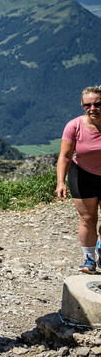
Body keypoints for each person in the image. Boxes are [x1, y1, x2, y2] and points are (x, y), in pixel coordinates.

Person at [56, 85, 101, 273]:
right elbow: (65, 156)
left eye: (98, 104)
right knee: (88, 218)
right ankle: (89, 259)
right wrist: (60, 182)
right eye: (87, 105)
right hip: (82, 175)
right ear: (82, 105)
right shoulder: (74, 126)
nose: (93, 108)